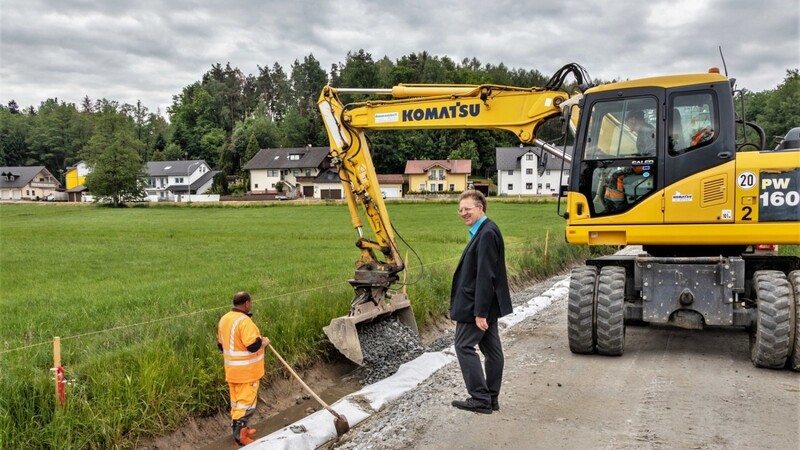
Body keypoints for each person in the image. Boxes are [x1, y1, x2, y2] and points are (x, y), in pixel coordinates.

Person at [450, 190, 513, 414]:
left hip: (475, 305)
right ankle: (491, 398)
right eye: (460, 209)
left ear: (480, 208)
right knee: (492, 349)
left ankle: (480, 398)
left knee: (463, 346)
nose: (463, 213)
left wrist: (480, 312)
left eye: (467, 208)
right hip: (484, 303)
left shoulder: (486, 233)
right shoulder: (485, 230)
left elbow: (486, 275)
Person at [217, 291, 269, 446]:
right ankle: (241, 436)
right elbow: (253, 346)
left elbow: (221, 346)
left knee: (237, 404)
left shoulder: (224, 319)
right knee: (246, 405)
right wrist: (263, 342)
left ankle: (241, 430)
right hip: (247, 373)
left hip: (232, 372)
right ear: (247, 303)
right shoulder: (244, 322)